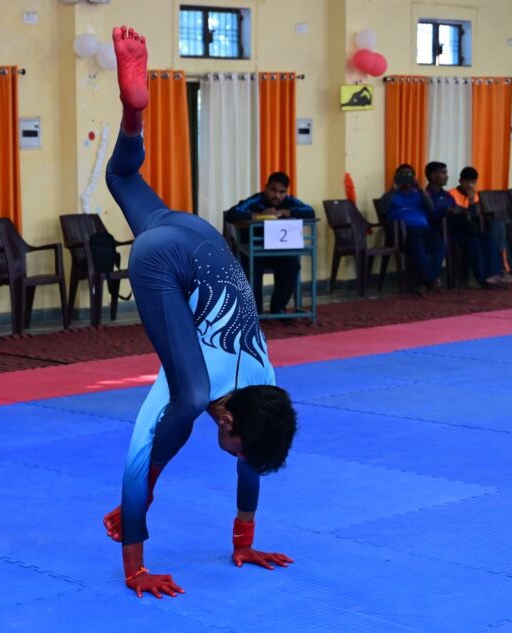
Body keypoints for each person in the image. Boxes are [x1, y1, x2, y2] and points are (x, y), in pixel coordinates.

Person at [101, 26, 297, 600]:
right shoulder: (201, 391)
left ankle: (133, 115)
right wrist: (135, 562)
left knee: (120, 176)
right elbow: (138, 457)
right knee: (184, 402)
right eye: (240, 450)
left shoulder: (266, 388)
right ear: (230, 424)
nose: (241, 462)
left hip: (198, 233)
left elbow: (252, 460)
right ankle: (141, 531)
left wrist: (245, 540)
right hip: (162, 259)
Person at [224, 173, 315, 315]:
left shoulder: (290, 202)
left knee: (292, 264)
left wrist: (287, 212)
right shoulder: (256, 200)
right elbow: (232, 213)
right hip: (253, 251)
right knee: (253, 267)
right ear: (266, 187)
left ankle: (278, 308)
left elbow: (310, 211)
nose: (277, 195)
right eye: (273, 190)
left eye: (282, 192)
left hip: (279, 252)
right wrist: (258, 216)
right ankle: (255, 312)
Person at [448, 167, 512, 286]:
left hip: (474, 227)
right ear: (460, 181)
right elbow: (457, 214)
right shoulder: (451, 194)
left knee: (491, 235)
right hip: (459, 229)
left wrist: (472, 201)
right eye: (467, 182)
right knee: (477, 241)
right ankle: (488, 276)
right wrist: (470, 203)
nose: (470, 185)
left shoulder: (475, 195)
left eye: (473, 182)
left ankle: (495, 274)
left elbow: (477, 214)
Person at [378, 164, 445, 295]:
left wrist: (420, 189)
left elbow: (431, 208)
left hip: (423, 228)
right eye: (402, 174)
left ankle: (427, 280)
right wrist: (393, 189)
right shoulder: (391, 195)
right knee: (417, 243)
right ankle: (431, 279)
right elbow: (382, 210)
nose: (406, 177)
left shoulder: (418, 193)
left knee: (440, 243)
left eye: (409, 175)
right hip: (403, 230)